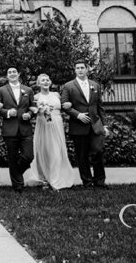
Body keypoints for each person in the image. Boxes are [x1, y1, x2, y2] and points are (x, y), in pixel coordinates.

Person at [61, 60, 108, 189]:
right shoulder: (68, 86)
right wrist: (78, 115)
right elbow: (64, 105)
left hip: (95, 125)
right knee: (82, 155)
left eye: (82, 67)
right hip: (78, 126)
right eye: (77, 68)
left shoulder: (95, 85)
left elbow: (100, 106)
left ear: (87, 69)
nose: (80, 70)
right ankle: (87, 182)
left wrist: (104, 125)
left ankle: (100, 181)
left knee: (98, 152)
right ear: (75, 70)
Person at [29, 73, 78, 190]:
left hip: (56, 123)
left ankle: (56, 178)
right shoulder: (35, 97)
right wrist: (38, 109)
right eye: (43, 80)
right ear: (38, 83)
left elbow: (65, 105)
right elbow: (31, 108)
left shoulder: (56, 94)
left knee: (56, 150)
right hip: (43, 125)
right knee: (44, 150)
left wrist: (69, 104)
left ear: (50, 82)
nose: (45, 82)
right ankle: (44, 179)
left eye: (47, 80)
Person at [0, 67, 35, 193]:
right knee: (12, 157)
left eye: (14, 72)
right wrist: (7, 112)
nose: (12, 74)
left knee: (28, 156)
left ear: (18, 74)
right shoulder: (1, 90)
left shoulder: (28, 90)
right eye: (9, 72)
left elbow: (33, 107)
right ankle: (18, 185)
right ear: (7, 76)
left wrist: (29, 114)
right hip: (10, 129)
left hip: (25, 128)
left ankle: (16, 172)